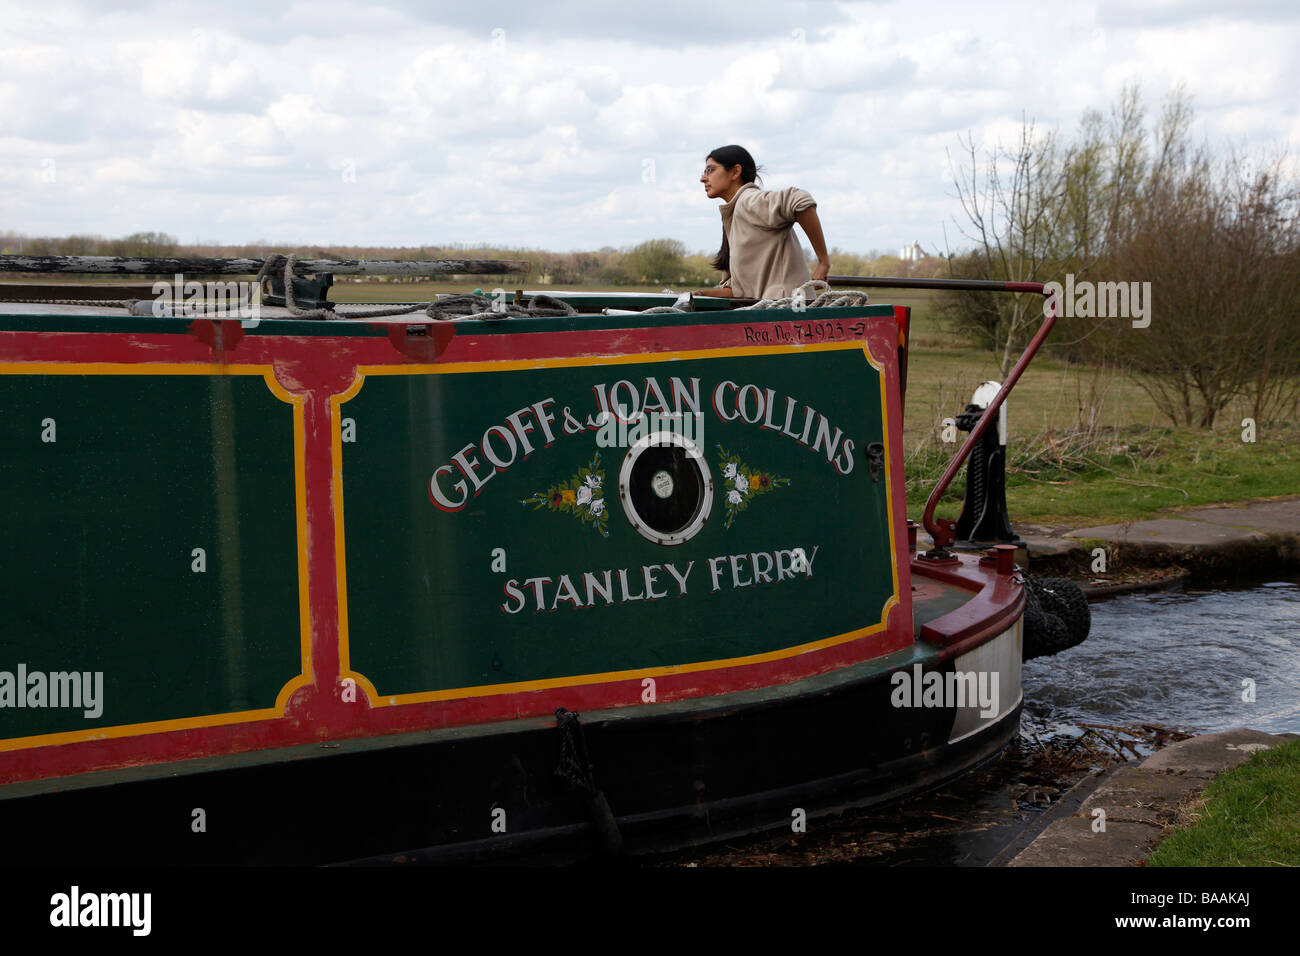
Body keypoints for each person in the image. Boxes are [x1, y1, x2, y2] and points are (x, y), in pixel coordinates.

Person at [692, 145, 830, 301]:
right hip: (767, 316)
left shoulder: (749, 200)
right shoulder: (734, 214)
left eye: (710, 170)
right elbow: (738, 291)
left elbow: (799, 199)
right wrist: (700, 295)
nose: (703, 178)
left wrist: (823, 262)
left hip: (788, 314)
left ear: (736, 172)